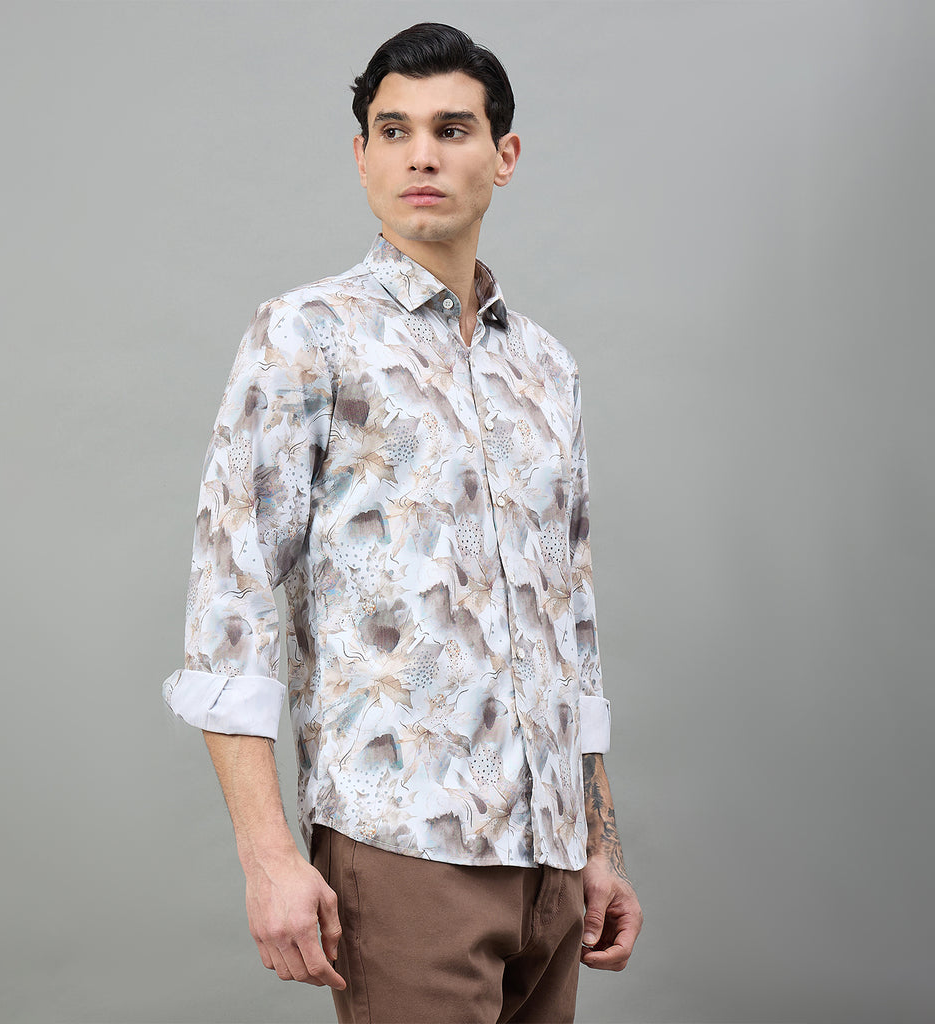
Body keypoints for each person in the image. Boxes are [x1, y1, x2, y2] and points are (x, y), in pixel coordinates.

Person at [161, 22, 643, 1024]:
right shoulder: (307, 334)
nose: (421, 155)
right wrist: (268, 857)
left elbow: (570, 622)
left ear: (504, 156)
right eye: (394, 131)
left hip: (553, 866)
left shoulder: (546, 369)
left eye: (451, 129)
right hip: (405, 852)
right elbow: (230, 600)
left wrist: (599, 843)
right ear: (362, 155)